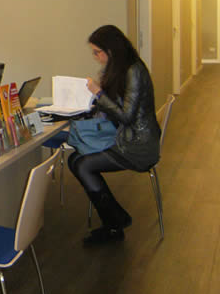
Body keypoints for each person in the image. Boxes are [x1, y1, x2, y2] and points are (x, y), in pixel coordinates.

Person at [68, 24, 161, 244]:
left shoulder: (134, 71)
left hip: (138, 145)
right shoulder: (122, 69)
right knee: (74, 160)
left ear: (110, 50)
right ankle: (115, 218)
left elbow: (126, 116)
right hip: (126, 137)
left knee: (83, 165)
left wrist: (99, 93)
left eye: (97, 52)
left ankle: (114, 224)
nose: (95, 57)